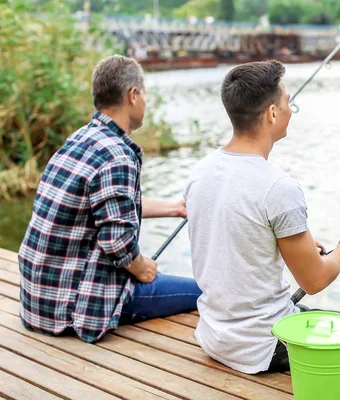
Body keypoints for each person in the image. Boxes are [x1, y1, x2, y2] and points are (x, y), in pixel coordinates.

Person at [184, 60, 340, 374]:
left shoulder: (200, 173)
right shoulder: (279, 188)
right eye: (287, 102)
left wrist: (296, 244)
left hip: (214, 335)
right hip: (261, 345)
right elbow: (314, 280)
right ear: (271, 113)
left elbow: (240, 237)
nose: (291, 110)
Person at [18, 55, 202, 343]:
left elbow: (106, 208)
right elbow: (117, 242)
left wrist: (175, 208)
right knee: (202, 293)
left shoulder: (81, 139)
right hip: (75, 309)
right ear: (132, 95)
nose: (145, 101)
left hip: (38, 302)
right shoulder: (118, 156)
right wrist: (142, 268)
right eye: (144, 94)